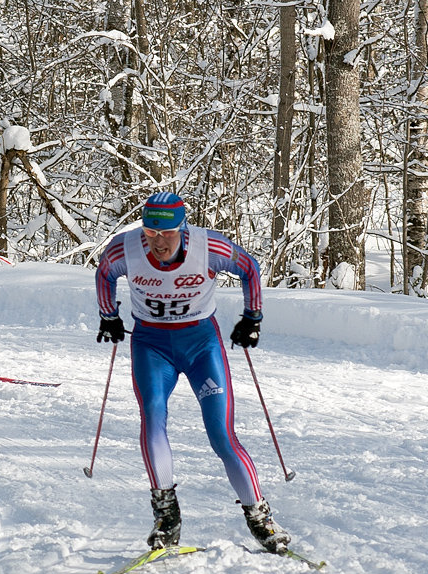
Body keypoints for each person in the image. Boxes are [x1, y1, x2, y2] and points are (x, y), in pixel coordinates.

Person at [94, 191, 291, 555]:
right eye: (151, 232)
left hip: (201, 344)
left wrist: (252, 318)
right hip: (152, 345)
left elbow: (249, 268)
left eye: (167, 232)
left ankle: (259, 514)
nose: (157, 241)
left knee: (222, 435)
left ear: (182, 227)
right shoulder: (127, 249)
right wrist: (109, 315)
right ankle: (166, 515)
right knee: (152, 416)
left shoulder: (208, 247)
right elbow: (104, 272)